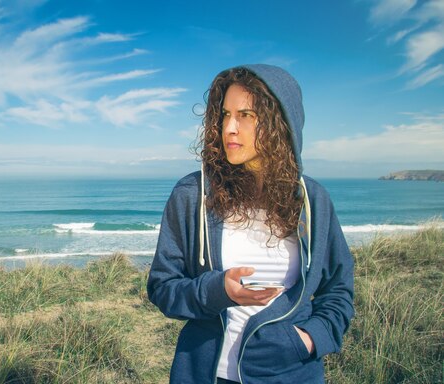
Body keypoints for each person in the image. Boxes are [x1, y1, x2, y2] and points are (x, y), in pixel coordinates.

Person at [147, 64, 354, 384]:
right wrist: (216, 291)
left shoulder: (313, 200)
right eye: (225, 114)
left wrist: (311, 338)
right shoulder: (191, 195)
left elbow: (338, 288)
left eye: (246, 115)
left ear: (280, 123)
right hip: (206, 374)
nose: (229, 127)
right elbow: (163, 288)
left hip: (291, 374)